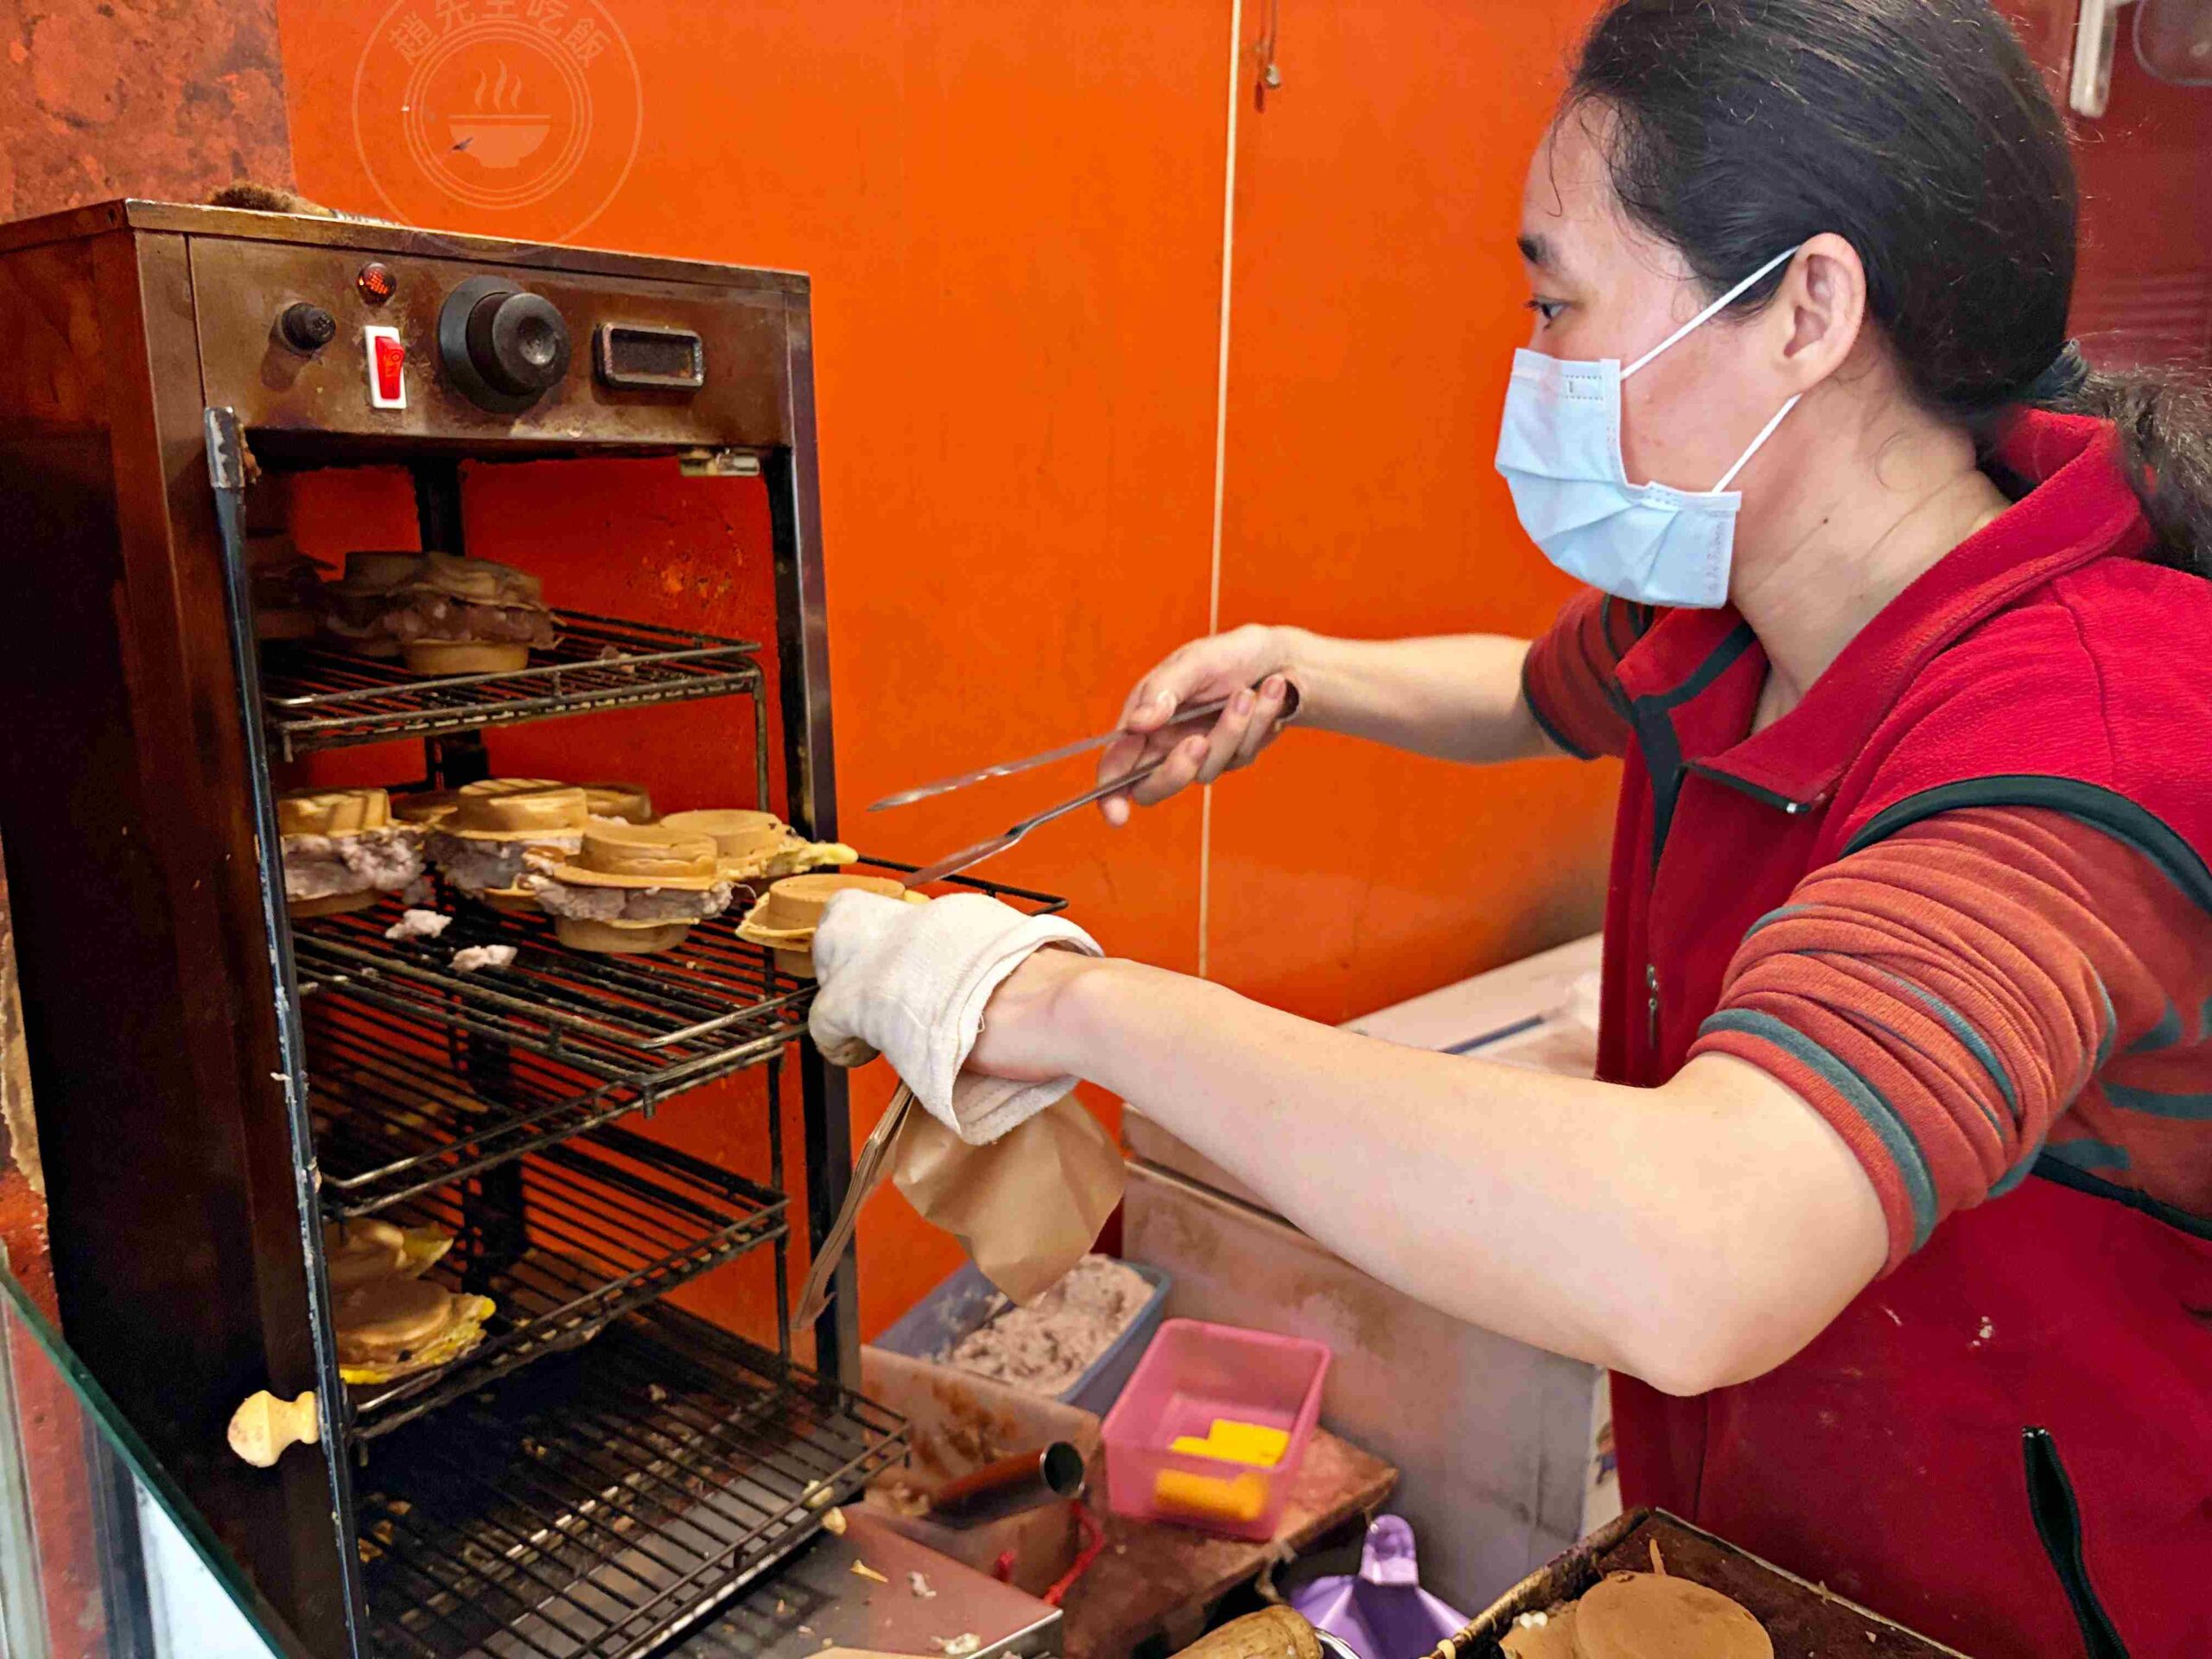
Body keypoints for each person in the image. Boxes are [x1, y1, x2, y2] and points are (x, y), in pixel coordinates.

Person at [809, 3, 2212, 1653]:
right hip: (1776, 1547)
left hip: (2044, 1598)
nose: (1533, 364)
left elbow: (1705, 1244)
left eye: (1560, 302)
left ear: (1808, 312)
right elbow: (1531, 693)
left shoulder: (2085, 733)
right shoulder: (1734, 606)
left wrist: (1058, 1000)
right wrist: (1299, 672)